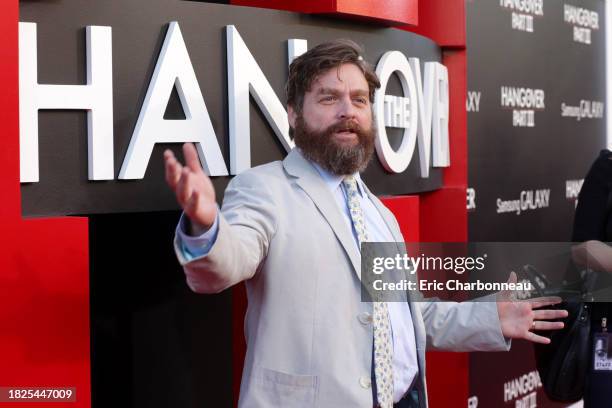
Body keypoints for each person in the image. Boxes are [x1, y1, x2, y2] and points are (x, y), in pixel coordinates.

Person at [164, 40, 566, 408]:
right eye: (329, 97)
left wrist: (491, 319)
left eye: (359, 99)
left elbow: (409, 318)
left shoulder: (378, 213)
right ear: (293, 114)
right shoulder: (264, 188)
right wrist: (207, 227)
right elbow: (225, 264)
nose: (348, 111)